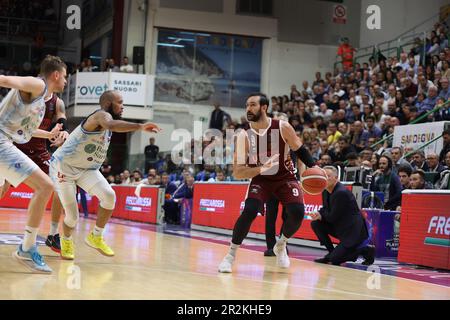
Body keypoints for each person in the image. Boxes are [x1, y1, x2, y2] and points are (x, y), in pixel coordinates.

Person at [49, 90, 161, 260]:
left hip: (87, 169)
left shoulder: (107, 122)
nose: (123, 106)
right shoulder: (100, 116)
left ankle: (96, 236)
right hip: (64, 167)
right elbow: (111, 125)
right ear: (109, 104)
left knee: (109, 196)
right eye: (120, 102)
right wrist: (140, 126)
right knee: (72, 216)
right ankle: (66, 240)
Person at [218, 93, 316, 273]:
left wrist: (316, 168)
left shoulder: (283, 127)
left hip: (285, 177)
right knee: (249, 211)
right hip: (261, 179)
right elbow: (238, 173)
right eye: (247, 105)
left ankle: (282, 244)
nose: (248, 108)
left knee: (297, 212)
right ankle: (230, 255)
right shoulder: (243, 136)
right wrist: (262, 168)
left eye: (253, 105)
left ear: (264, 107)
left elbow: (301, 150)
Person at [0, 55, 67, 273]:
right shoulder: (38, 84)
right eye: (65, 77)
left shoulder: (43, 100)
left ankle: (27, 247)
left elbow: (23, 131)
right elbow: (5, 80)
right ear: (55, 75)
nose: (66, 81)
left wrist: (48, 135)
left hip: (7, 140)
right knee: (46, 186)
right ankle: (27, 247)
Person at [310, 166, 374, 266]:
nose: (326, 178)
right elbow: (326, 209)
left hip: (352, 232)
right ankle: (331, 252)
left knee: (335, 260)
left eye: (328, 176)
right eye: (324, 176)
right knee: (315, 223)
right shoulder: (325, 191)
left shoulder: (341, 193)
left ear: (336, 178)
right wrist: (318, 213)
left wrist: (321, 216)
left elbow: (332, 217)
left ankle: (365, 251)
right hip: (340, 227)